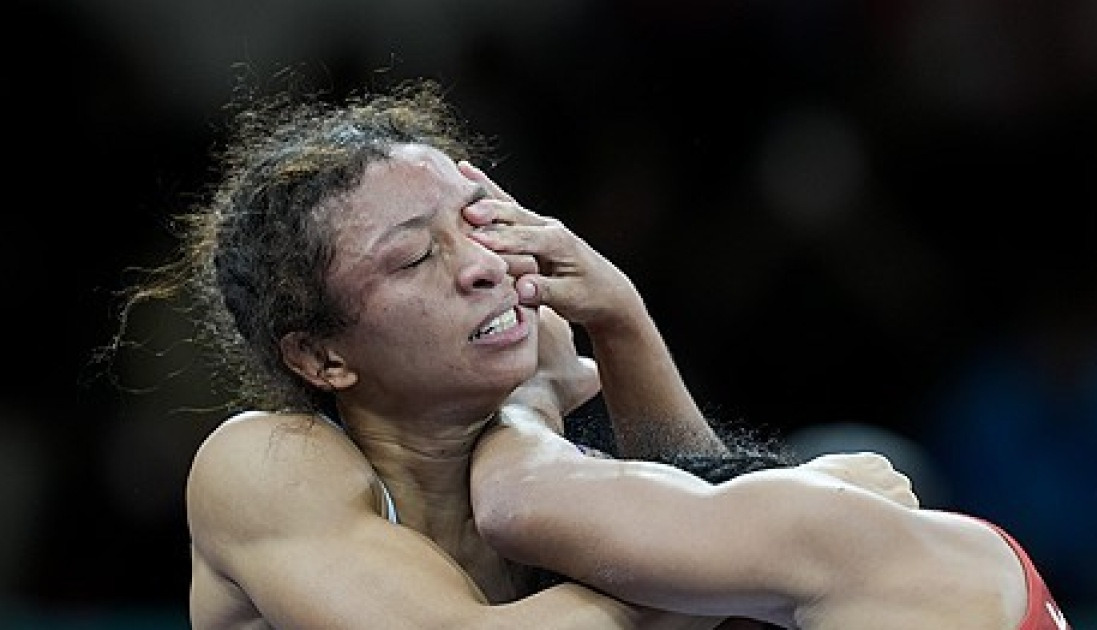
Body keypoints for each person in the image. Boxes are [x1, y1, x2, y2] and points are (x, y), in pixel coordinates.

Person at [111, 74, 760, 629]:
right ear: (319, 357)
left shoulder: (540, 469)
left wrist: (619, 317)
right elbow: (748, 559)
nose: (482, 265)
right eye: (417, 255)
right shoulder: (262, 466)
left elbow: (736, 581)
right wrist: (537, 405)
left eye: (480, 220)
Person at [458, 165, 1072, 630]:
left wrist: (536, 387)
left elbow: (518, 502)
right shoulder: (841, 562)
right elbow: (692, 510)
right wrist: (620, 320)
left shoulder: (835, 534)